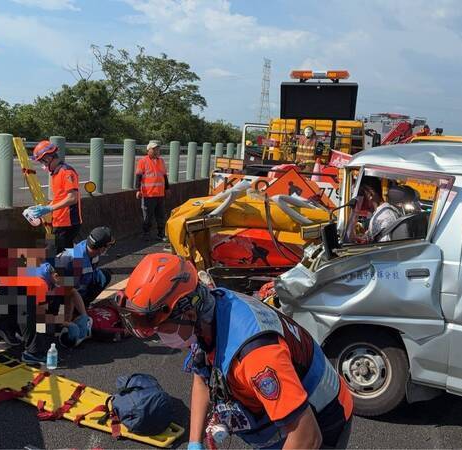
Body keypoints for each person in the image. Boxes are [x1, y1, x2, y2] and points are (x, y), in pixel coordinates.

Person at [114, 254, 354, 449]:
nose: (157, 334)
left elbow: (306, 438)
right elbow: (203, 378)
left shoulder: (256, 357)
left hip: (322, 424)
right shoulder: (209, 314)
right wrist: (195, 442)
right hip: (284, 421)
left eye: (158, 326)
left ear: (186, 313)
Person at [27, 140, 82, 253]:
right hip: (59, 222)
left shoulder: (67, 172)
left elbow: (72, 198)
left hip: (68, 223)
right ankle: (74, 268)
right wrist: (44, 211)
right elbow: (59, 198)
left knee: (53, 254)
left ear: (48, 158)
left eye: (42, 162)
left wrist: (48, 209)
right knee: (62, 253)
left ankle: (68, 269)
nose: (43, 165)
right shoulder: (55, 173)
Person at [53, 226, 115, 308]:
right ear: (102, 248)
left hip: (72, 282)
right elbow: (75, 288)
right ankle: (78, 310)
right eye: (108, 246)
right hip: (58, 289)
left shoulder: (88, 247)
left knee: (104, 276)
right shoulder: (78, 262)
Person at [136, 141, 169, 241]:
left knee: (161, 215)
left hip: (160, 194)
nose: (156, 151)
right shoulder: (143, 161)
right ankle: (146, 234)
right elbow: (138, 176)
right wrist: (138, 190)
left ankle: (161, 234)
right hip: (148, 194)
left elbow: (164, 176)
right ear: (148, 150)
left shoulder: (161, 161)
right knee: (148, 216)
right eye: (154, 149)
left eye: (157, 149)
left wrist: (167, 188)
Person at [360, 179, 401, 243]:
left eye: (360, 194)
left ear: (370, 194)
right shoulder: (379, 213)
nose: (359, 199)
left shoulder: (385, 215)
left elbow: (385, 248)